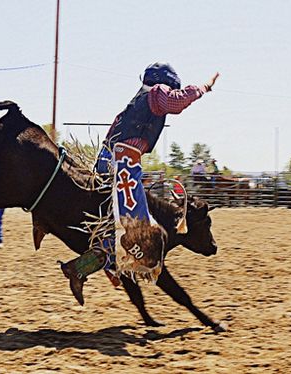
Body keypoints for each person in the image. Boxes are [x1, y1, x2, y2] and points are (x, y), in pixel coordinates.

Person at [60, 62, 220, 305]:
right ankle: (90, 268)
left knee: (120, 228)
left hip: (115, 162)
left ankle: (91, 268)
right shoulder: (155, 94)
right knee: (134, 230)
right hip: (121, 165)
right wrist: (204, 87)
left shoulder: (139, 100)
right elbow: (175, 102)